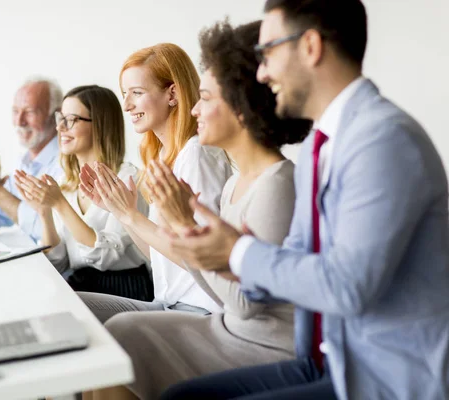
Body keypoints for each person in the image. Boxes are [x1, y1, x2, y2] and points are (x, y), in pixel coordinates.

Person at [161, 1, 449, 399]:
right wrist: (227, 257)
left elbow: (348, 287)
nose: (261, 72)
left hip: (387, 377)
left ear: (310, 47)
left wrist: (240, 253)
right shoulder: (319, 145)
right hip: (329, 362)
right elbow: (297, 254)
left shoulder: (384, 140)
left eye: (268, 53)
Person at [98, 20, 312, 400]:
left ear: (241, 108)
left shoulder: (277, 184)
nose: (195, 109)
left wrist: (181, 226)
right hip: (227, 325)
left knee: (120, 334)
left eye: (207, 98)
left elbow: (241, 303)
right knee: (115, 332)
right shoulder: (235, 183)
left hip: (254, 340)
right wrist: (134, 215)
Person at [76, 43, 233, 323]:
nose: (127, 105)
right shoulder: (162, 156)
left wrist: (129, 214)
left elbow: (198, 258)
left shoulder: (195, 154)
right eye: (125, 95)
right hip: (168, 303)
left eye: (136, 93)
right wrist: (121, 212)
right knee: (71, 304)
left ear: (172, 94)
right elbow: (158, 256)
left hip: (201, 310)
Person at [14, 85, 153, 301]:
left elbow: (105, 257)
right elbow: (58, 262)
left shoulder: (128, 179)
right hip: (81, 284)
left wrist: (60, 205)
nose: (60, 128)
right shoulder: (66, 184)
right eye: (60, 119)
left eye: (71, 119)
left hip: (125, 288)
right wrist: (45, 213)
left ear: (99, 124)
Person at [0, 77, 63, 242]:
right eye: (15, 111)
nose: (19, 121)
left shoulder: (67, 161)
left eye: (30, 111)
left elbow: (52, 229)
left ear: (55, 115)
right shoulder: (24, 162)